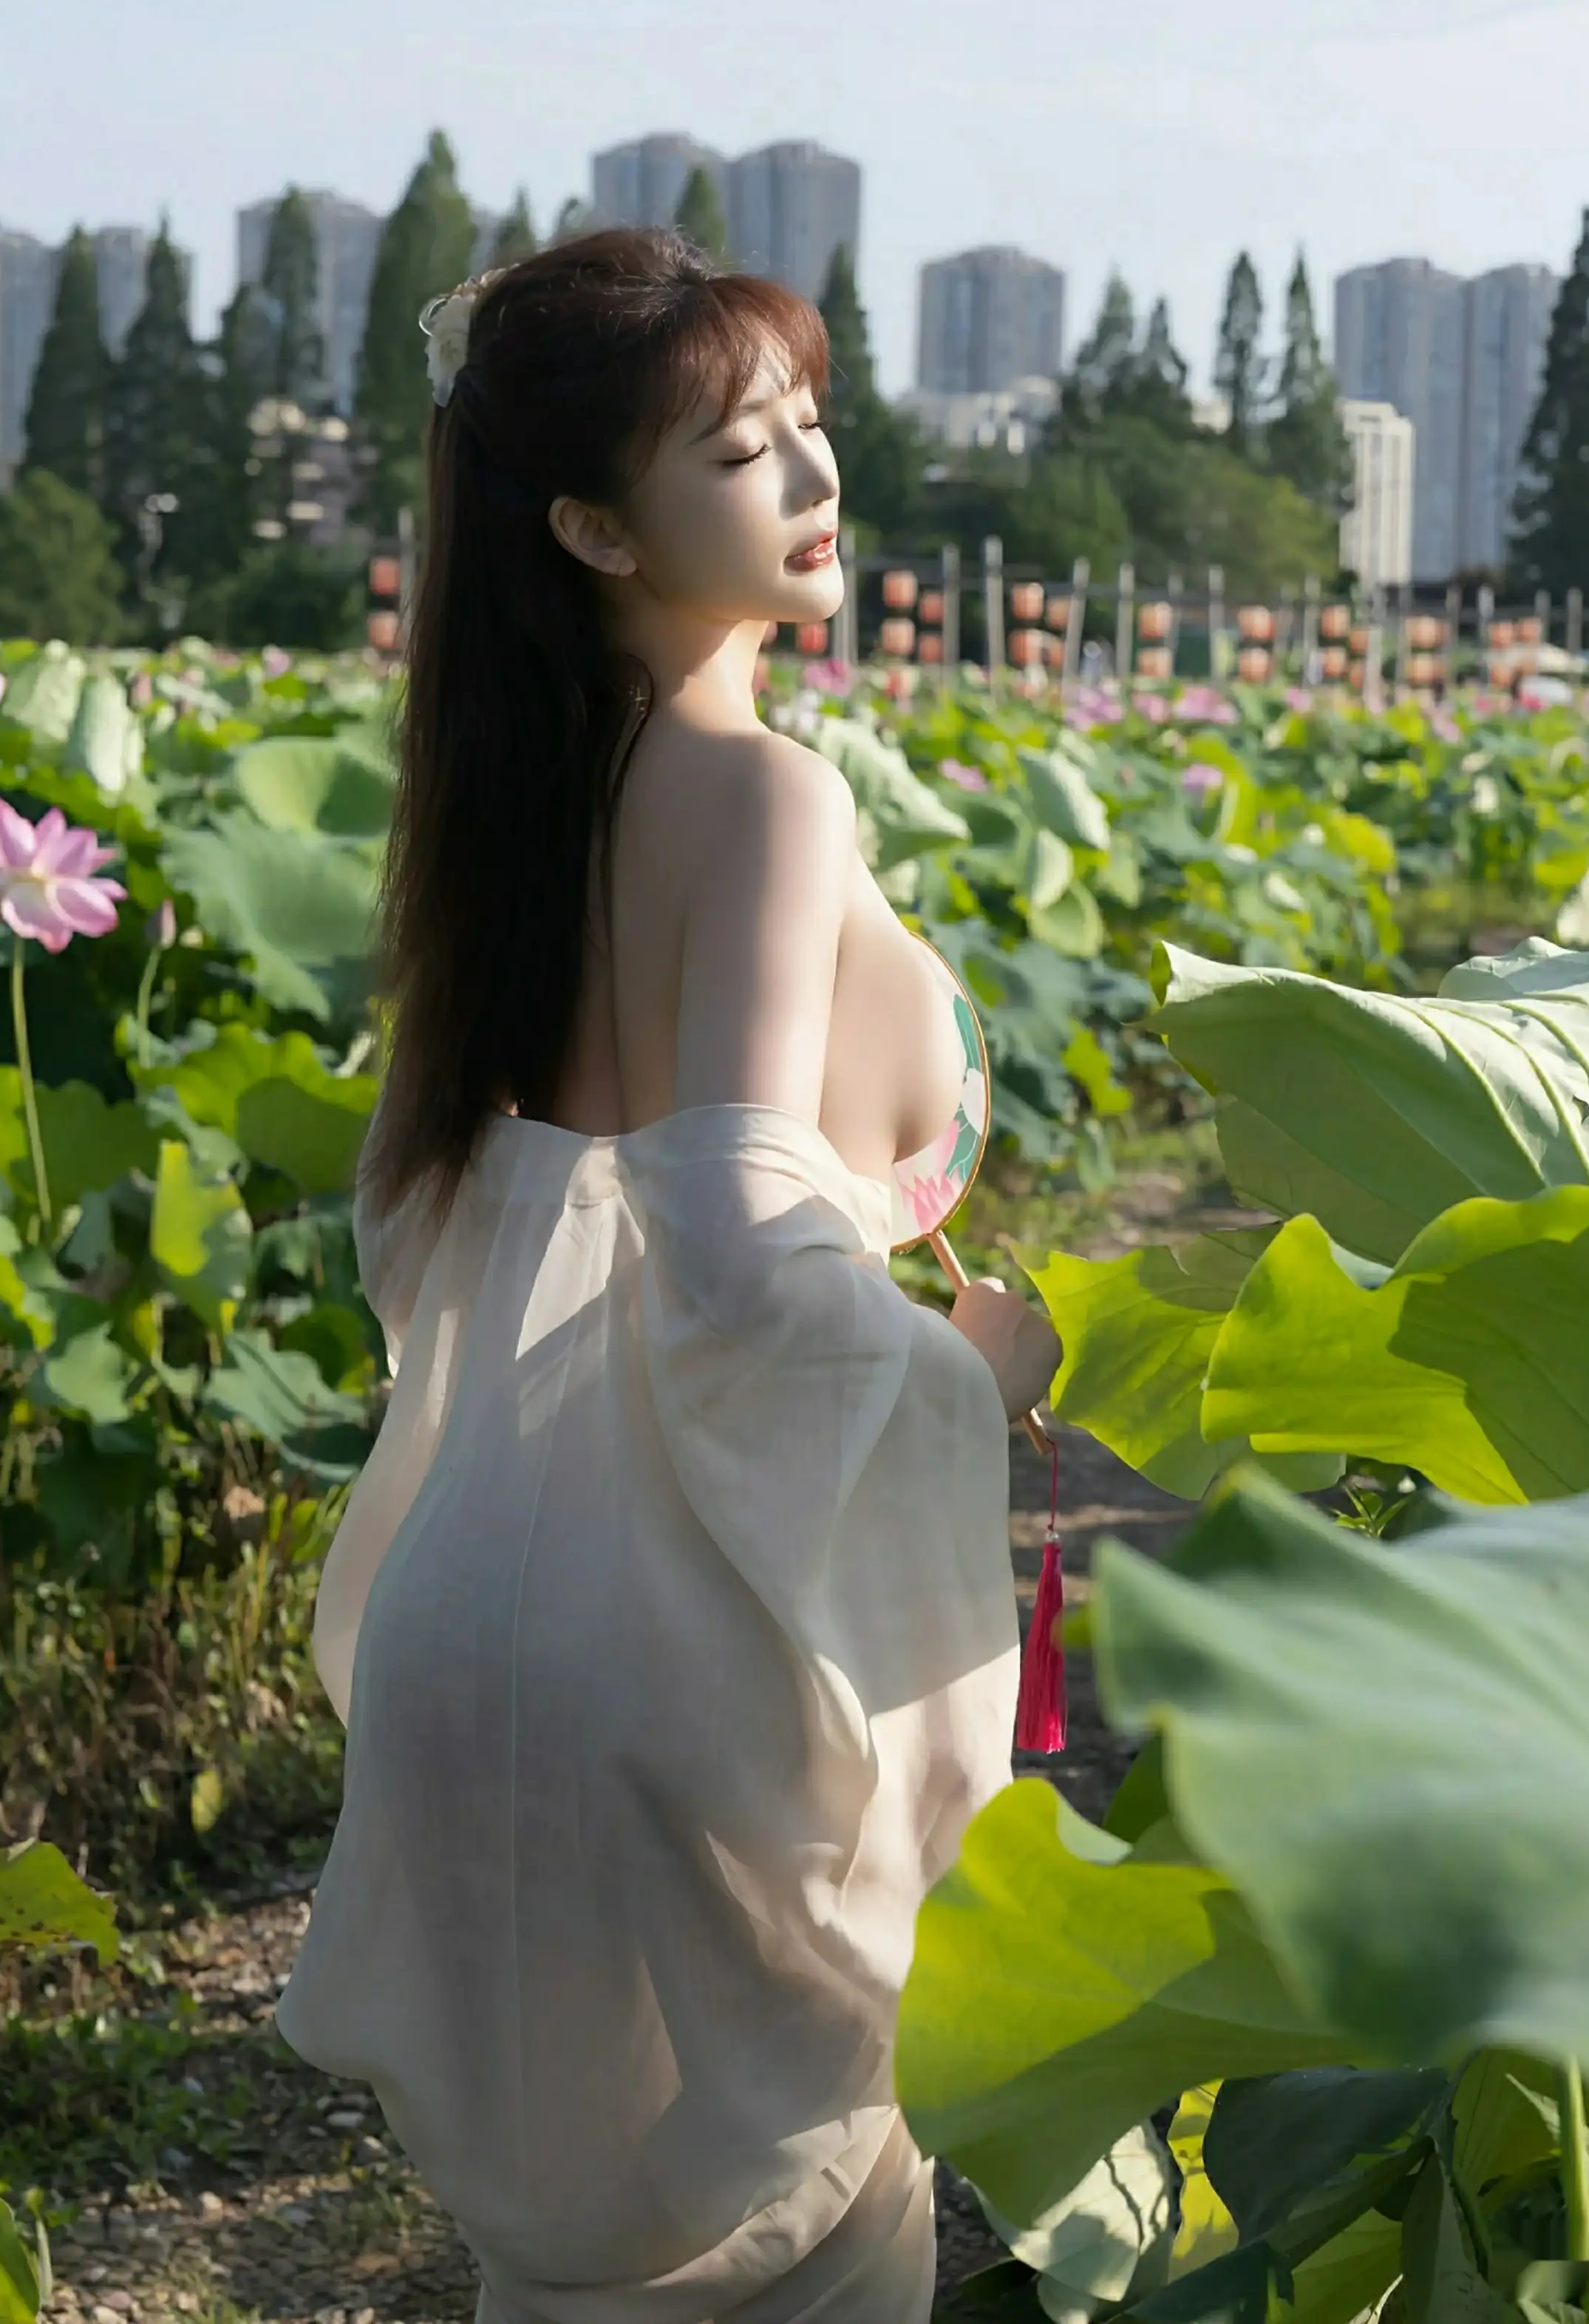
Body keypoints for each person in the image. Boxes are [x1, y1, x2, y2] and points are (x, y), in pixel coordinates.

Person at [275, 225, 1064, 2322]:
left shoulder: (507, 811)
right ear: (593, 527)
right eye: (738, 451)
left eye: (808, 424)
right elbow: (730, 1243)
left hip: (483, 1605)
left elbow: (427, 1224)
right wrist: (974, 1376)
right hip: (688, 1637)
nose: (812, 478)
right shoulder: (768, 802)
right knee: (798, 2251)